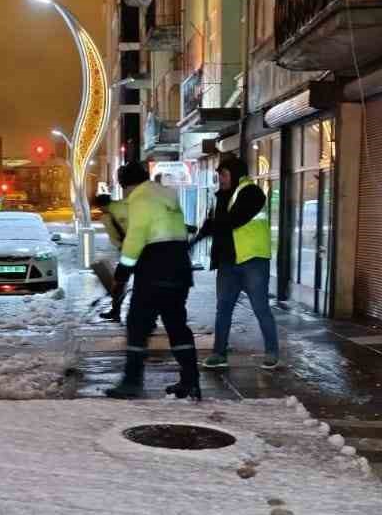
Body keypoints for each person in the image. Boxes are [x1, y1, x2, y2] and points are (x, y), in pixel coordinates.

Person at [106, 160, 199, 400]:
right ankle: (191, 380)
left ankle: (131, 382)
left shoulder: (140, 198)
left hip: (156, 267)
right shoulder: (165, 193)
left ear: (126, 185)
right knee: (176, 325)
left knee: (137, 324)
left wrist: (121, 274)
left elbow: (136, 237)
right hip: (180, 267)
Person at [193, 156, 280, 370]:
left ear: (235, 173)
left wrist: (209, 227)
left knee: (260, 308)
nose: (220, 179)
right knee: (223, 309)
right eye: (218, 175)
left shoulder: (251, 192)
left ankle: (272, 352)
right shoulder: (223, 197)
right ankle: (218, 353)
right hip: (228, 263)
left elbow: (234, 220)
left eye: (223, 174)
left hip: (252, 261)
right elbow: (213, 225)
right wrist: (196, 237)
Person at [90, 188, 132, 322]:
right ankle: (116, 311)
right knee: (121, 282)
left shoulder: (111, 216)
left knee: (120, 282)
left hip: (132, 252)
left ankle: (116, 312)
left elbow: (116, 237)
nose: (99, 210)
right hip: (133, 251)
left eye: (100, 207)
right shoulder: (121, 210)